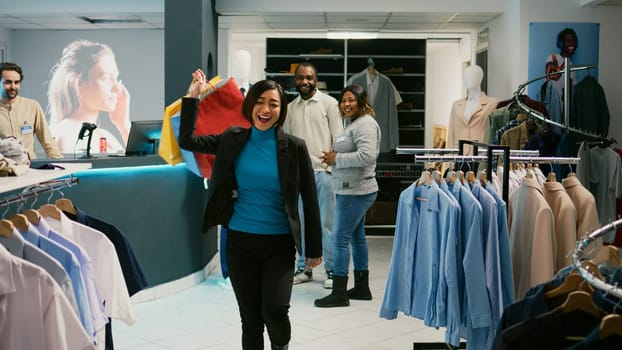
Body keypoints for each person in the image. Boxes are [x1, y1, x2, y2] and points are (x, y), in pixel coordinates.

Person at [178, 68, 323, 350]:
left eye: (273, 104)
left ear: (282, 110)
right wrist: (192, 98)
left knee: (276, 312)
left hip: (280, 244)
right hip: (240, 242)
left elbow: (310, 198)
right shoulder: (233, 139)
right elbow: (187, 141)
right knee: (251, 319)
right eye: (260, 102)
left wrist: (314, 249)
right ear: (250, 105)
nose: (265, 109)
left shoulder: (295, 148)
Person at [314, 84, 381, 308]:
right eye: (343, 100)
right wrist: (333, 157)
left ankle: (339, 292)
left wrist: (336, 160)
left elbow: (367, 156)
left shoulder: (366, 125)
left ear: (362, 102)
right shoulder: (353, 123)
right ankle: (362, 287)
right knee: (356, 238)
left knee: (339, 239)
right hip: (350, 189)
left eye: (351, 100)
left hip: (356, 191)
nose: (346, 104)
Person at [283, 61, 343, 289]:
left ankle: (330, 268)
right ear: (295, 80)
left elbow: (338, 140)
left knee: (326, 224)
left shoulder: (329, 104)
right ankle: (304, 268)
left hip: (323, 175)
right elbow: (286, 143)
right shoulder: (290, 108)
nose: (305, 81)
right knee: (300, 223)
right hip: (298, 177)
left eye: (309, 77)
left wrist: (331, 166)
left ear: (315, 79)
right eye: (300, 78)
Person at [47, 40, 130, 155]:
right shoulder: (66, 135)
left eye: (116, 78)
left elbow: (144, 167)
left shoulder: (103, 135)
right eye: (106, 78)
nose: (117, 88)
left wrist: (123, 123)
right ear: (78, 83)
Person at [0, 62, 62, 159]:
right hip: (4, 170)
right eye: (7, 82)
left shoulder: (32, 106)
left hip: (30, 169)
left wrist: (59, 164)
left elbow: (47, 141)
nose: (13, 87)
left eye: (16, 82)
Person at [446, 64, 499, 155]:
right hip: (459, 154)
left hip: (481, 154)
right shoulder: (456, 105)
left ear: (480, 78)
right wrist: (449, 161)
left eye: (473, 76)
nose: (469, 79)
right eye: (466, 77)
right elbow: (451, 133)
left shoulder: (493, 103)